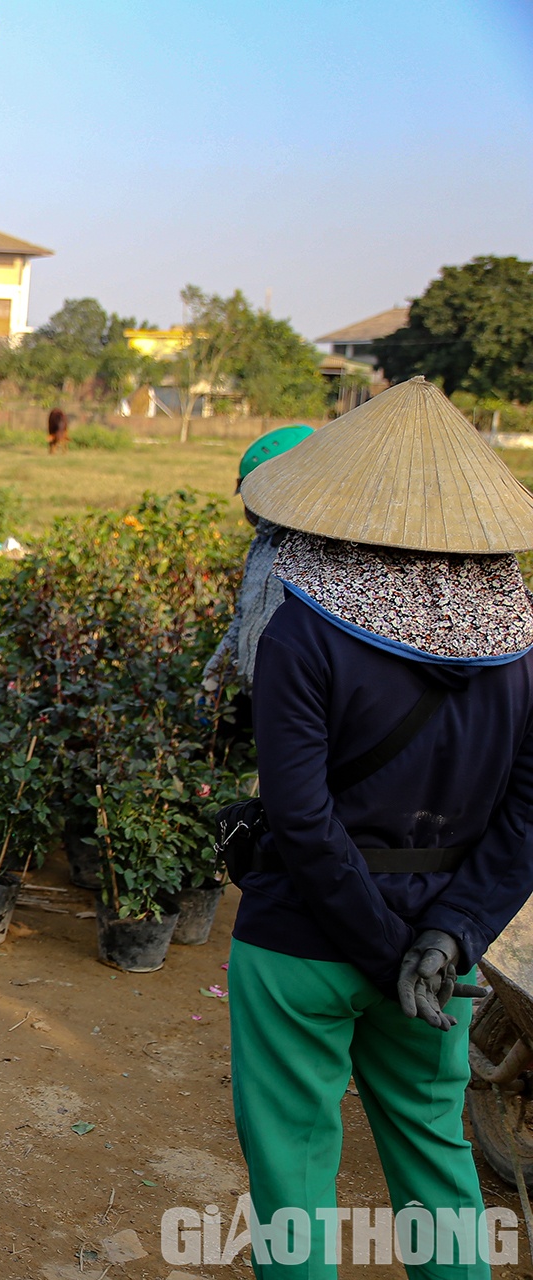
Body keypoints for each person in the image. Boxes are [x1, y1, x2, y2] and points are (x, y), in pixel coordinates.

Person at [229, 378, 533, 1279]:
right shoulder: (518, 644)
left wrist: (378, 945)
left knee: (294, 1179)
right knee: (438, 1168)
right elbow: (526, 811)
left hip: (303, 945)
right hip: (443, 957)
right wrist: (446, 937)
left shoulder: (304, 631)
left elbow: (300, 813)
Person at [201, 424, 314, 726]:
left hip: (292, 708)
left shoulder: (316, 552)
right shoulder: (262, 544)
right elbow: (244, 617)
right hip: (255, 696)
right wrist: (215, 672)